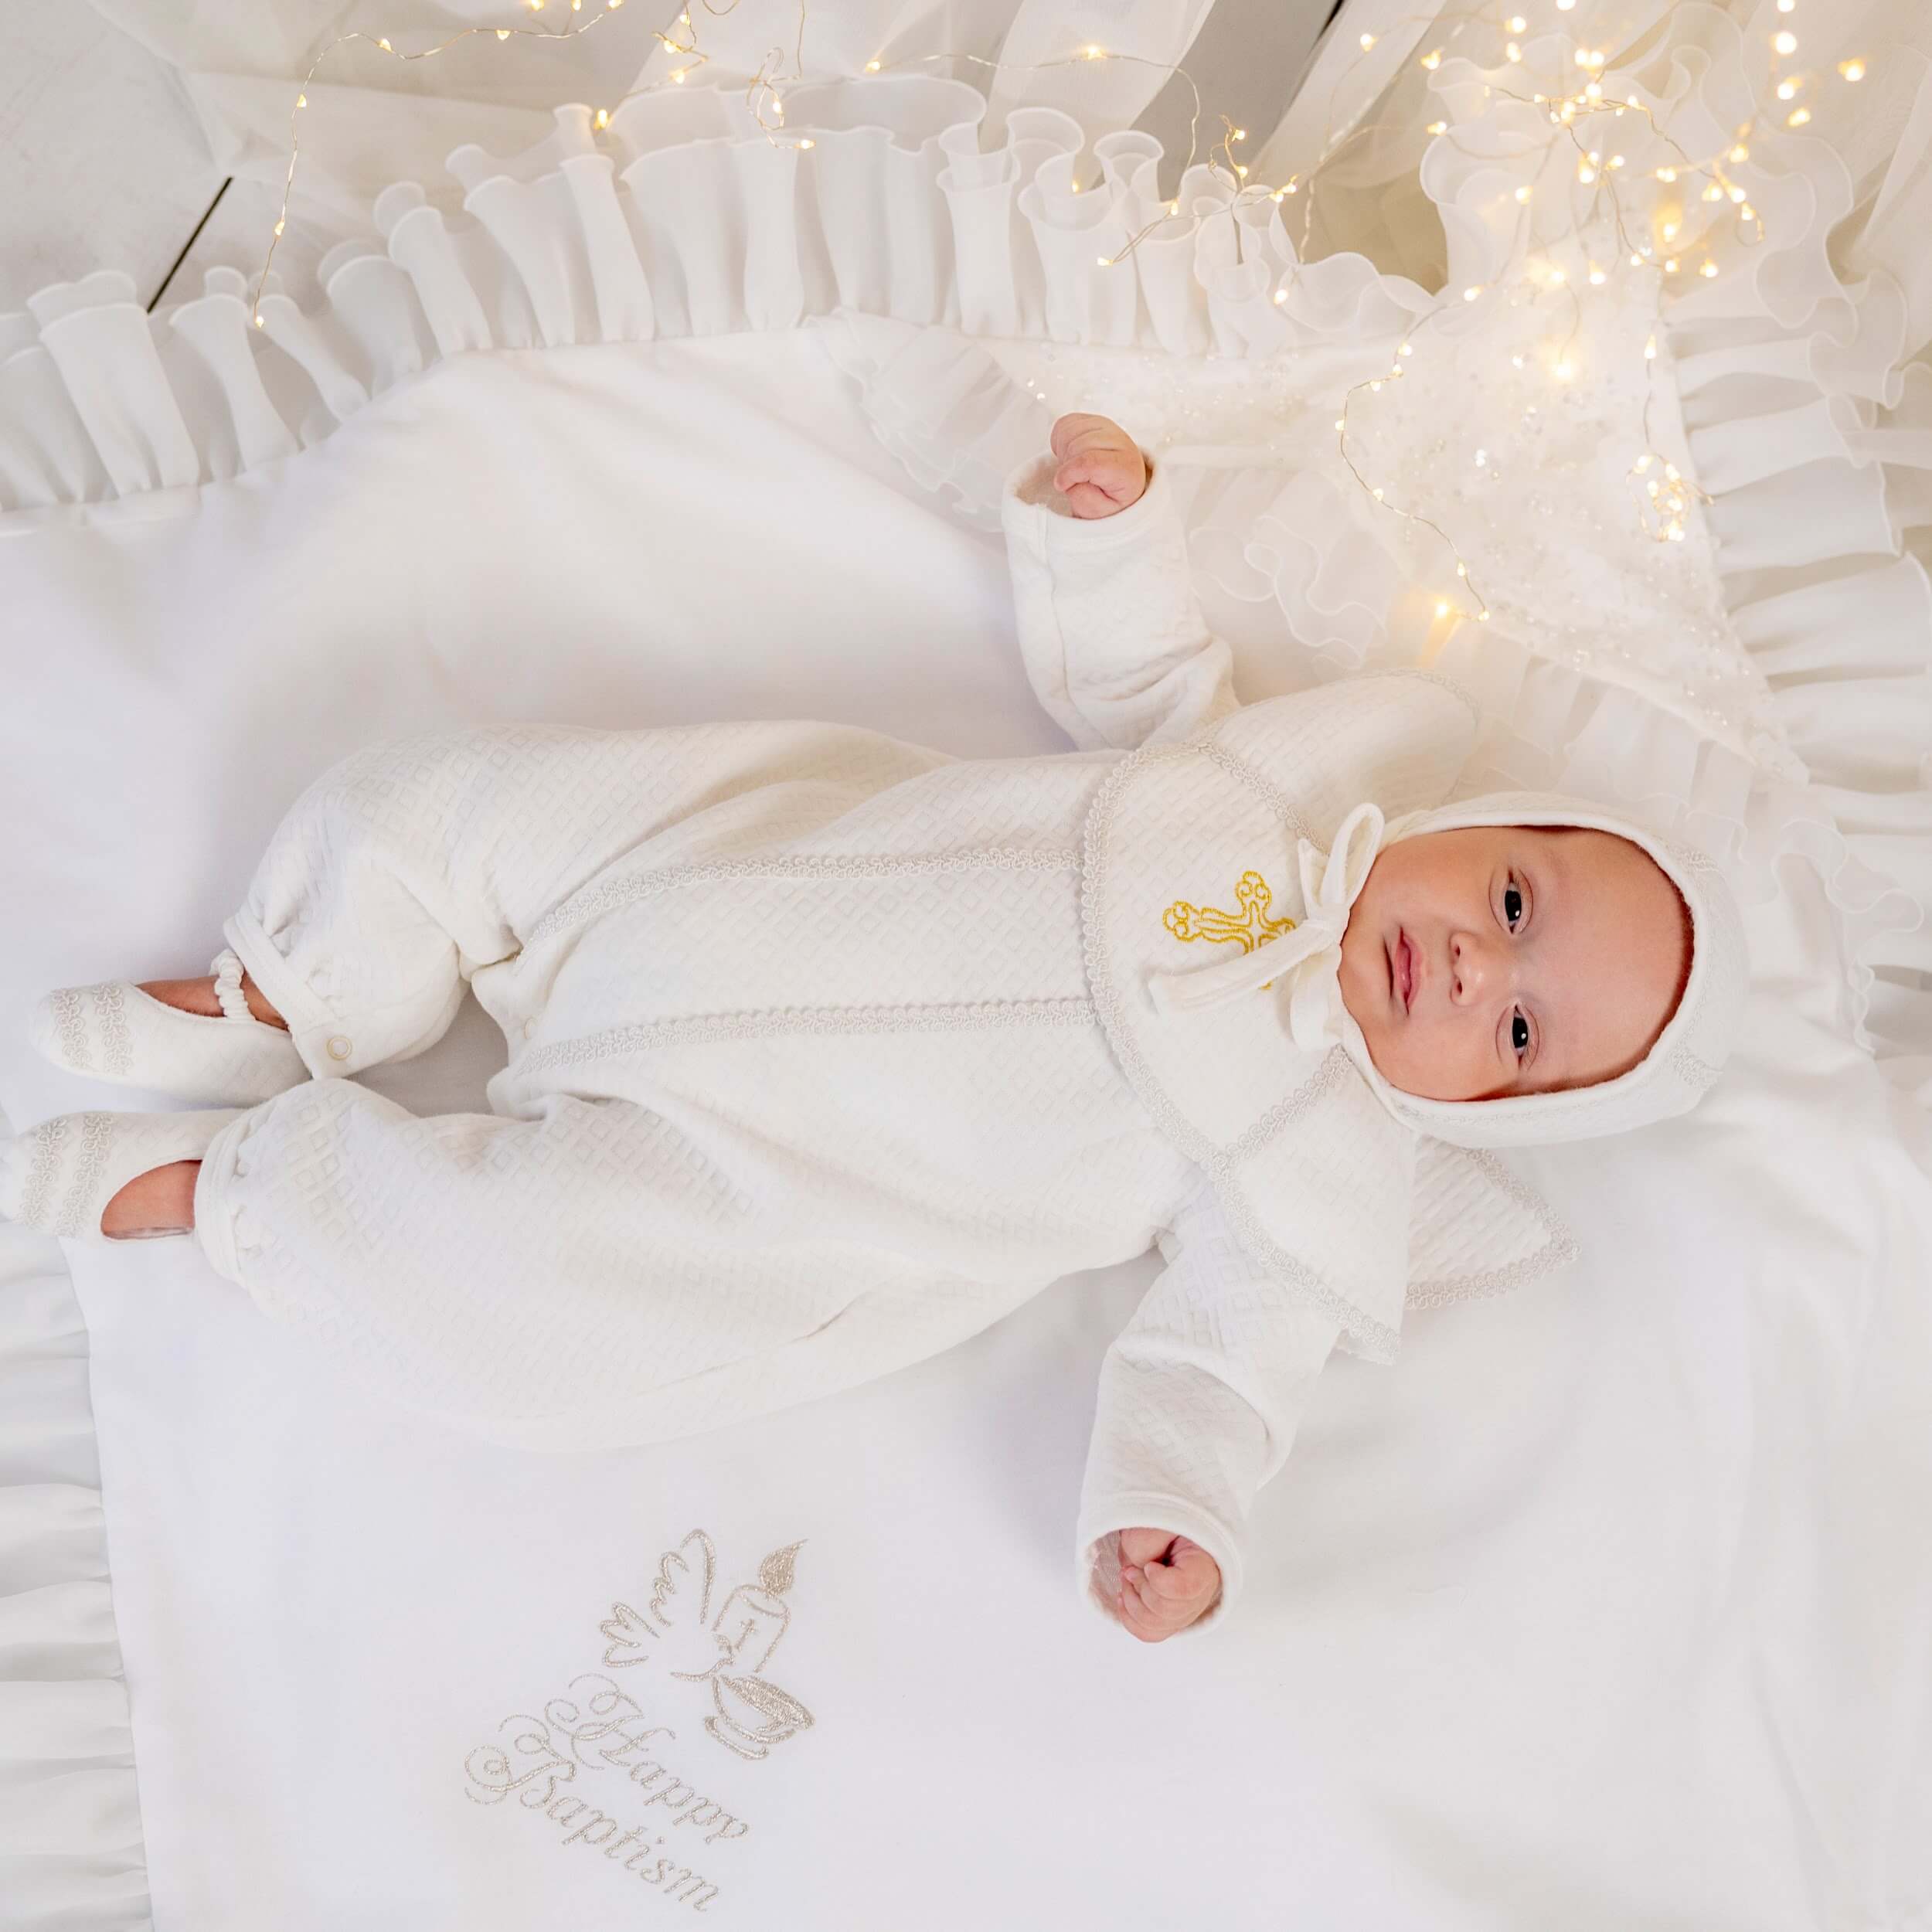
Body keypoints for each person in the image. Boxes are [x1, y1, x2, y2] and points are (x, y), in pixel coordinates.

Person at [1, 413, 1747, 1644]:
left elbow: (1220, 1358)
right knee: (445, 798)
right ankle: (296, 981)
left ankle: (243, 1188)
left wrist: (1179, 1508)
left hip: (752, 1179)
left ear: (1490, 1106)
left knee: (538, 1335)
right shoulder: (1258, 782)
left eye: (1517, 1033)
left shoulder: (1308, 1161)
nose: (1464, 969)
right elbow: (1140, 678)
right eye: (1509, 901)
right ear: (1477, 821)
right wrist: (1105, 528)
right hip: (698, 875)